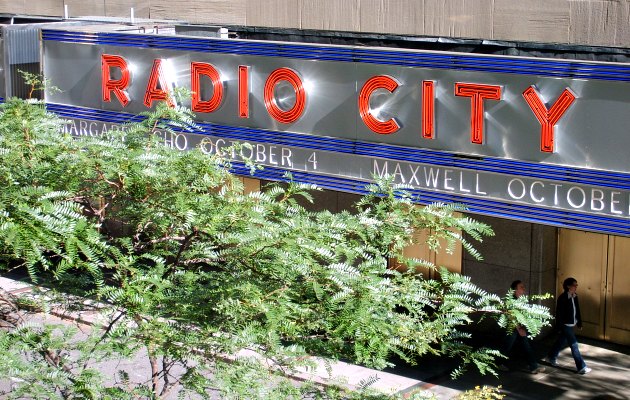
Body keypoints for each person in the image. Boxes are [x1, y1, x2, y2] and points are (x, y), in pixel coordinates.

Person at [498, 280, 546, 374]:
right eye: (521, 287)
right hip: (511, 328)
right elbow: (511, 315)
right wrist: (519, 328)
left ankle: (533, 366)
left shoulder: (521, 299)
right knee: (507, 346)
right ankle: (500, 363)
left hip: (519, 327)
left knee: (525, 345)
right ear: (515, 289)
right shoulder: (511, 300)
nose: (523, 288)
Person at [546, 277, 591, 375]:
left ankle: (551, 356)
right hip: (565, 325)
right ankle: (581, 367)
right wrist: (559, 327)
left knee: (561, 340)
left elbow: (577, 310)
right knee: (574, 344)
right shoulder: (562, 298)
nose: (576, 287)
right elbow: (559, 314)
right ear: (568, 286)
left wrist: (579, 322)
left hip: (571, 323)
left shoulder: (575, 296)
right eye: (574, 285)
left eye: (576, 285)